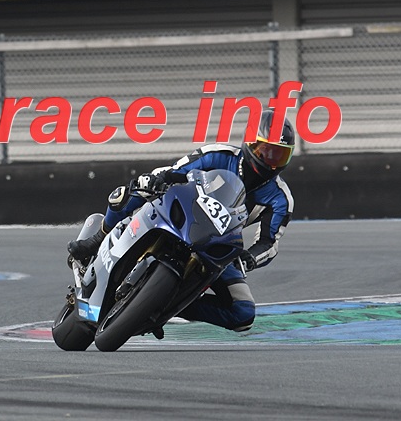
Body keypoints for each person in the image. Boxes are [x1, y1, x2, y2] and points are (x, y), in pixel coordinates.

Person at [68, 108, 295, 333]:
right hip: (183, 214)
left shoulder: (281, 198)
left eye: (279, 155)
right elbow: (175, 171)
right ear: (250, 142)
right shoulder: (219, 154)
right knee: (134, 190)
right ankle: (98, 239)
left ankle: (163, 306)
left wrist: (250, 259)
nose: (271, 162)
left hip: (217, 242)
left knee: (243, 315)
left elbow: (269, 243)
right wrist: (157, 180)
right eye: (265, 151)